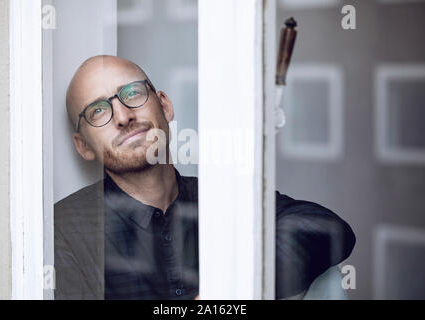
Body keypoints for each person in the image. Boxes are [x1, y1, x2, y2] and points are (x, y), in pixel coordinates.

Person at [54, 55, 355, 300]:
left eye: (132, 93)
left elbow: (330, 229)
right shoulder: (64, 229)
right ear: (83, 146)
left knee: (323, 279)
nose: (122, 116)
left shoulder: (218, 197)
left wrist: (223, 294)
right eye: (97, 111)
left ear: (165, 105)